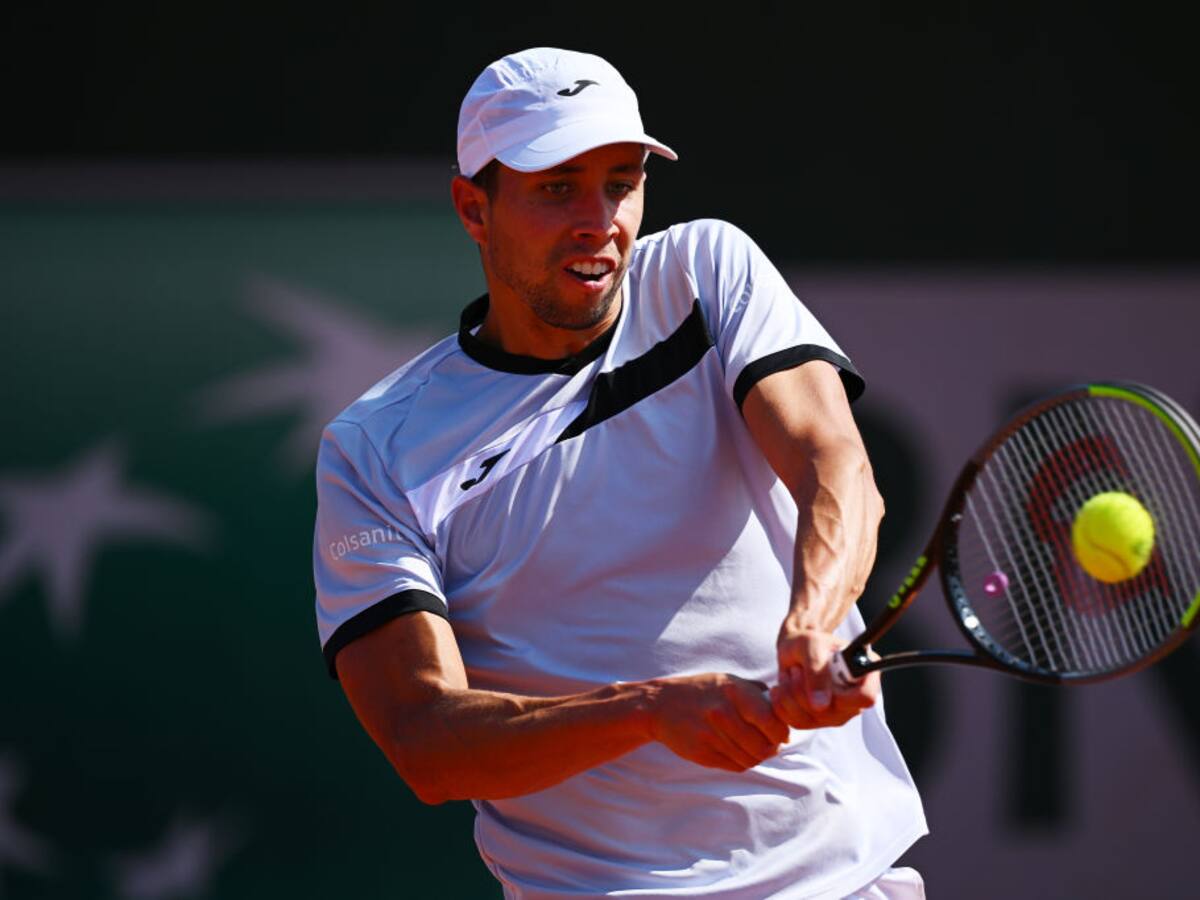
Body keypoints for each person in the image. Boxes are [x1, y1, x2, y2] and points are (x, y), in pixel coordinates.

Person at [313, 47, 927, 899]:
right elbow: (425, 738)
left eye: (621, 181)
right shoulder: (377, 451)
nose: (599, 219)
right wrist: (648, 711)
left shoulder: (706, 274)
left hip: (840, 882)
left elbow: (835, 463)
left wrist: (813, 626)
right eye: (557, 187)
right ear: (472, 208)